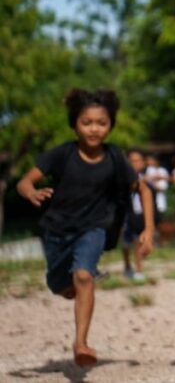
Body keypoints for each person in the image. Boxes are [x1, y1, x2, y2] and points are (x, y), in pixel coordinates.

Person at [16, 88, 155, 368]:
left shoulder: (115, 157)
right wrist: (31, 192)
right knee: (59, 284)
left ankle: (81, 343)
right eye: (87, 122)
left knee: (83, 276)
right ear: (75, 124)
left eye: (101, 123)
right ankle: (68, 284)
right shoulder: (62, 154)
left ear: (111, 126)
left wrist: (149, 229)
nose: (94, 129)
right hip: (57, 231)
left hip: (93, 229)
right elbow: (24, 182)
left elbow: (144, 190)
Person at [121, 149, 153, 280]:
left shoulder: (146, 179)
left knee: (138, 241)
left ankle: (139, 269)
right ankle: (128, 266)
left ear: (143, 163)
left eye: (137, 160)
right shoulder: (123, 179)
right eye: (132, 161)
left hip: (141, 214)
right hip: (127, 214)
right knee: (126, 243)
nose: (135, 163)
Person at [144, 154, 170, 245]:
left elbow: (162, 187)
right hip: (149, 202)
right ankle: (152, 241)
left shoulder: (162, 171)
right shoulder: (148, 170)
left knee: (160, 223)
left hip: (160, 202)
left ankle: (162, 241)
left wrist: (152, 183)